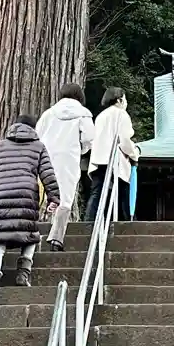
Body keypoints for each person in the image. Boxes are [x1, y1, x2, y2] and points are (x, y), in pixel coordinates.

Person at [0, 115, 59, 305]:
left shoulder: (1, 145)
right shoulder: (38, 146)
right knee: (31, 235)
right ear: (33, 128)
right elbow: (47, 173)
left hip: (0, 194)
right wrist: (54, 197)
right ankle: (23, 274)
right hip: (25, 194)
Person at [35, 82, 95, 250]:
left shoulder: (48, 113)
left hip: (47, 157)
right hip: (69, 157)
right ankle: (56, 237)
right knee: (66, 197)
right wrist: (82, 149)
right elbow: (89, 137)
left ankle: (33, 232)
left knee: (44, 192)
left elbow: (37, 135)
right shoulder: (83, 114)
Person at [85, 86, 139, 225]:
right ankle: (127, 224)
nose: (126, 103)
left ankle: (88, 223)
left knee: (97, 193)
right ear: (119, 100)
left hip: (99, 159)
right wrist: (134, 153)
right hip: (115, 160)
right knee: (123, 192)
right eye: (125, 99)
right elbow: (124, 140)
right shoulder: (121, 114)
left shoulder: (100, 116)